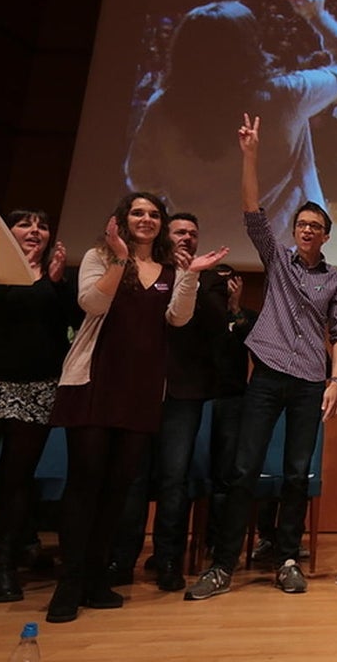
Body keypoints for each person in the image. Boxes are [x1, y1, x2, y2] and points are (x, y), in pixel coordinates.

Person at [185, 115, 337, 601]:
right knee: (244, 468)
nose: (306, 231)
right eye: (301, 224)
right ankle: (222, 564)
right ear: (294, 230)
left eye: (315, 227)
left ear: (325, 236)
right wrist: (251, 154)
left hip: (308, 381)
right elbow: (251, 210)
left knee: (297, 472)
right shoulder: (277, 259)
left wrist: (335, 380)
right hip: (268, 375)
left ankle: (285, 559)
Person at [46, 193, 226, 622]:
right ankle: (67, 585)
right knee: (85, 484)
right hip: (94, 383)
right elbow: (91, 303)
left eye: (153, 214)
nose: (146, 219)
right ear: (123, 220)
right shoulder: (98, 256)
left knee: (118, 488)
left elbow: (178, 319)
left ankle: (95, 580)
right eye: (137, 212)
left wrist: (191, 276)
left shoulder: (169, 269)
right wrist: (120, 261)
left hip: (142, 391)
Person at [125, 0, 337, 259]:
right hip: (283, 253)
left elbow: (142, 178)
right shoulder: (286, 95)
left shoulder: (161, 108)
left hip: (200, 250)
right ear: (250, 45)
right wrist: (317, 16)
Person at [110, 214, 251, 592]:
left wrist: (199, 282)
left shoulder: (210, 280)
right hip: (140, 388)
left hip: (185, 393)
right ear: (165, 238)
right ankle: (122, 559)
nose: (187, 238)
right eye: (180, 232)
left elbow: (217, 328)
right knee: (135, 479)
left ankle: (169, 559)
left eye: (193, 233)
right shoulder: (148, 271)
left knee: (175, 480)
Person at [0, 210, 79, 602]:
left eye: (41, 225)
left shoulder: (59, 276)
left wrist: (57, 285)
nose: (35, 230)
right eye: (25, 224)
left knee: (16, 480)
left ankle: (5, 566)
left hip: (37, 388)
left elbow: (75, 323)